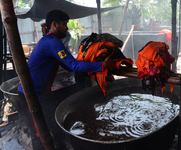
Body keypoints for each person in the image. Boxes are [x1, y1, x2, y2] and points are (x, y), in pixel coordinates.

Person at [18, 9, 120, 150]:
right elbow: (74, 65)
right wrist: (102, 65)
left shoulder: (51, 42)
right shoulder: (52, 43)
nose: (67, 28)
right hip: (30, 95)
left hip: (42, 94)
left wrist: (90, 67)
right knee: (39, 134)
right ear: (54, 24)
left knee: (52, 125)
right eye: (64, 24)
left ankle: (60, 147)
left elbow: (68, 66)